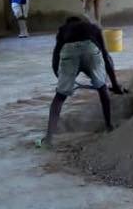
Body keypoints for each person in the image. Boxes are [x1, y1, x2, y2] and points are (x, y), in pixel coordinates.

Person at [43, 16, 127, 146]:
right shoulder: (93, 28)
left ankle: (49, 138)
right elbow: (105, 57)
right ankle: (109, 126)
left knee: (59, 97)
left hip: (69, 51)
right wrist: (115, 85)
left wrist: (59, 76)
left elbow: (56, 54)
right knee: (102, 89)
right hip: (90, 49)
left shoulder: (64, 29)